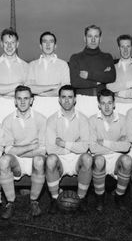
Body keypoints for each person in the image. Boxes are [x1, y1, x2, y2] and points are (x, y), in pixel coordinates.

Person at [0, 85, 47, 218]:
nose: (22, 102)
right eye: (19, 98)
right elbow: (7, 149)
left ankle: (34, 201)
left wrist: (18, 150)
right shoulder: (7, 120)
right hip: (18, 160)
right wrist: (30, 147)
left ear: (31, 100)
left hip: (34, 157)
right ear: (14, 100)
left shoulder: (41, 119)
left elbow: (42, 149)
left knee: (39, 160)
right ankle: (10, 203)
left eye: (26, 98)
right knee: (3, 161)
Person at [45, 85, 92, 213]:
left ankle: (81, 199)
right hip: (60, 159)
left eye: (70, 97)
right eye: (63, 97)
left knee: (87, 158)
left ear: (75, 99)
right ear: (59, 99)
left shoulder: (83, 119)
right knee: (50, 159)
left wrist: (63, 143)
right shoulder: (51, 120)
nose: (67, 100)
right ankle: (54, 199)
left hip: (78, 160)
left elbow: (85, 147)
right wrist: (73, 146)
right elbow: (50, 149)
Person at [89, 89, 132, 211]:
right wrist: (117, 143)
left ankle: (119, 196)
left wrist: (104, 142)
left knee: (127, 160)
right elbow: (93, 148)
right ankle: (100, 198)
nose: (107, 107)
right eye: (103, 103)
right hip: (100, 157)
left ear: (114, 104)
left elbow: (126, 146)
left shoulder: (123, 119)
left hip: (116, 158)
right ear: (98, 104)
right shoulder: (92, 120)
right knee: (99, 160)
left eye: (109, 103)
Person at [69, 25, 116, 117]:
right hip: (82, 102)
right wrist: (100, 79)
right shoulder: (75, 58)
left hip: (102, 103)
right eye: (90, 36)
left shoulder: (107, 57)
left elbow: (111, 77)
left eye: (96, 36)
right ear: (84, 38)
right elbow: (75, 82)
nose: (93, 40)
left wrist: (89, 75)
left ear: (100, 39)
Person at [0, 28, 28, 123]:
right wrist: (18, 86)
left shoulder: (26, 66)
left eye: (12, 42)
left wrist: (2, 90)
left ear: (17, 44)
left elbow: (26, 92)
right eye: (6, 42)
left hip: (19, 107)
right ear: (1, 44)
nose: (9, 46)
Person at [27, 31, 70, 118]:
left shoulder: (63, 64)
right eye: (44, 41)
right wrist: (52, 87)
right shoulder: (32, 65)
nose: (48, 44)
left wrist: (40, 92)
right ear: (40, 46)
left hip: (57, 106)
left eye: (51, 41)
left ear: (55, 46)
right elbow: (30, 89)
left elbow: (64, 90)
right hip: (37, 106)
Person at [107, 34, 132, 115]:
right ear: (119, 48)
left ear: (131, 47)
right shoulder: (112, 68)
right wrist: (127, 84)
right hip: (117, 108)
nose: (125, 50)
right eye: (122, 47)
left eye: (128, 46)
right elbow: (109, 87)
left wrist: (120, 93)